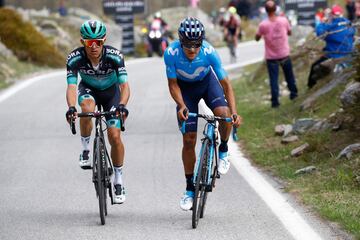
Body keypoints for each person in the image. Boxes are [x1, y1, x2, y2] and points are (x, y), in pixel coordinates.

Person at [164, 17, 242, 210]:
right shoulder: (171, 53)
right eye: (188, 45)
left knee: (223, 114)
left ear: (202, 42)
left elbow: (226, 85)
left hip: (207, 84)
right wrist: (181, 104)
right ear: (180, 41)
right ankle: (190, 188)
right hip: (185, 91)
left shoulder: (209, 52)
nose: (192, 50)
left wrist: (234, 112)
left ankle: (223, 148)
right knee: (188, 140)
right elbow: (172, 85)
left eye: (196, 45)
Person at [65, 20, 130, 204]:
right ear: (82, 42)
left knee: (115, 136)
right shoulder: (74, 58)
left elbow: (125, 86)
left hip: (112, 93)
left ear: (104, 41)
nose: (94, 47)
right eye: (89, 43)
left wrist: (122, 105)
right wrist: (71, 108)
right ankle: (85, 148)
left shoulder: (115, 56)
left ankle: (118, 178)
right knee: (86, 109)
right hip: (89, 90)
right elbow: (71, 87)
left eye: (98, 42)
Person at [255, 0, 298, 108]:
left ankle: (275, 102)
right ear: (276, 9)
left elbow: (256, 38)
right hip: (284, 54)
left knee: (274, 80)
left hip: (271, 57)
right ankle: (294, 95)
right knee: (289, 76)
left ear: (265, 10)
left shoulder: (263, 24)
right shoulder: (284, 20)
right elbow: (290, 32)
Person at [307, 5, 355, 88]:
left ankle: (310, 86)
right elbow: (353, 33)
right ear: (342, 13)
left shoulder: (331, 26)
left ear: (332, 15)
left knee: (314, 66)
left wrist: (323, 22)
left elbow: (319, 33)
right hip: (348, 53)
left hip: (334, 55)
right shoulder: (348, 23)